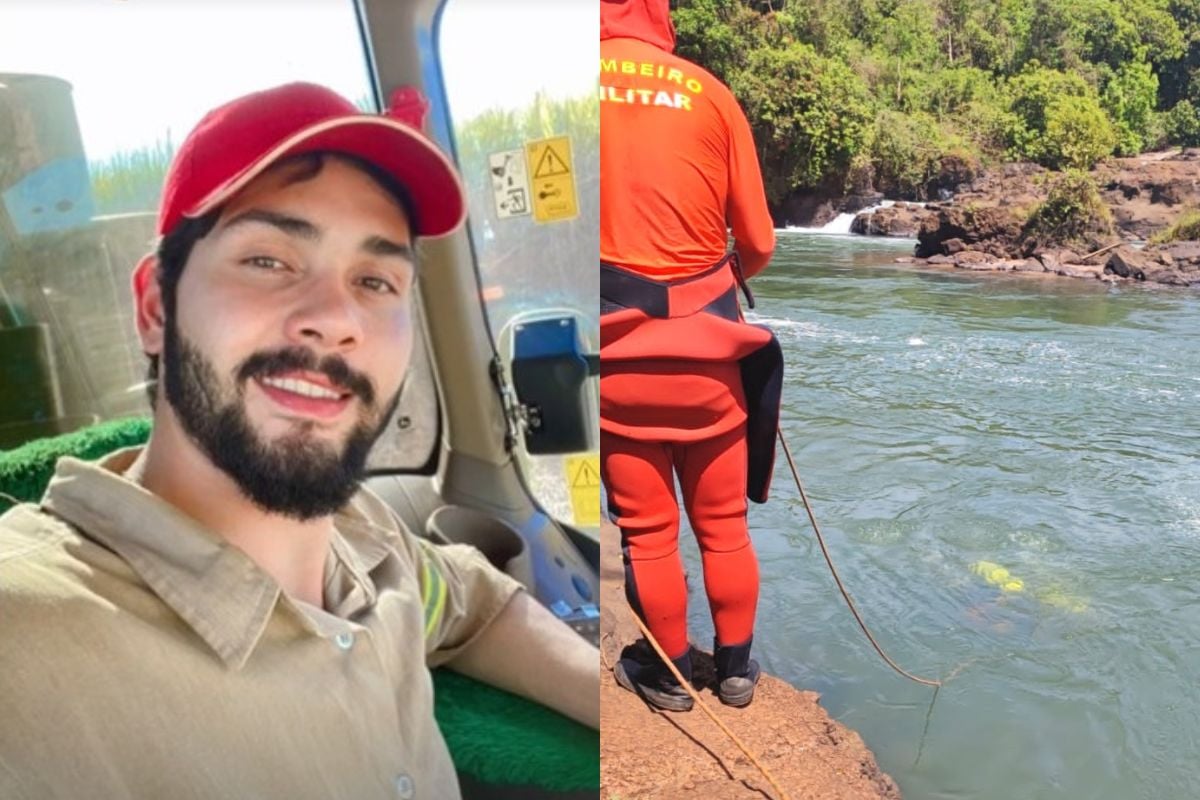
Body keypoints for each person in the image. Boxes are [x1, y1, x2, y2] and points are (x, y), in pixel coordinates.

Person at [0, 82, 598, 799]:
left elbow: (475, 604)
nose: (334, 318)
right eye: (269, 260)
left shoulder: (366, 542)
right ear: (156, 307)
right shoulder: (24, 637)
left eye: (376, 280)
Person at [599, 0, 780, 712]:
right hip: (710, 360)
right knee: (724, 528)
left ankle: (670, 675)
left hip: (613, 364)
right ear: (659, 17)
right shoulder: (708, 92)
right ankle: (734, 672)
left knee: (648, 532)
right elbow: (759, 242)